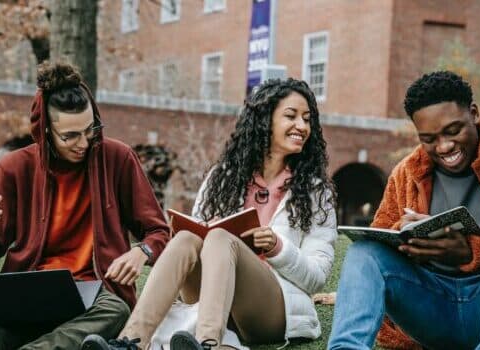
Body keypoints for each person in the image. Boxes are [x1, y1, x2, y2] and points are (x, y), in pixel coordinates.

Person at [327, 71, 480, 350]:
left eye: (453, 130)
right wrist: (404, 234)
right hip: (435, 312)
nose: (444, 146)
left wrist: (472, 250)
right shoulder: (406, 173)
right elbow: (382, 238)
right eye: (429, 138)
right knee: (365, 252)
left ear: (474, 113)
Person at [82, 78, 338, 350]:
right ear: (264, 120)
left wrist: (278, 247)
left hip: (272, 309)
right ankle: (130, 341)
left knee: (220, 238)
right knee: (186, 239)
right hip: (211, 298)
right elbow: (198, 236)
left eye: (307, 119)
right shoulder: (222, 177)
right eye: (291, 116)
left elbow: (317, 276)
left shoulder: (315, 191)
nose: (302, 126)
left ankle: (208, 343)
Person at [0, 62, 170, 350]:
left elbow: (158, 231)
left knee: (116, 311)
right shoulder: (13, 169)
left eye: (90, 129)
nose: (84, 142)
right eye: (70, 136)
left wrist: (141, 252)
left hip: (94, 293)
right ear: (45, 131)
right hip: (29, 291)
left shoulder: (119, 158)